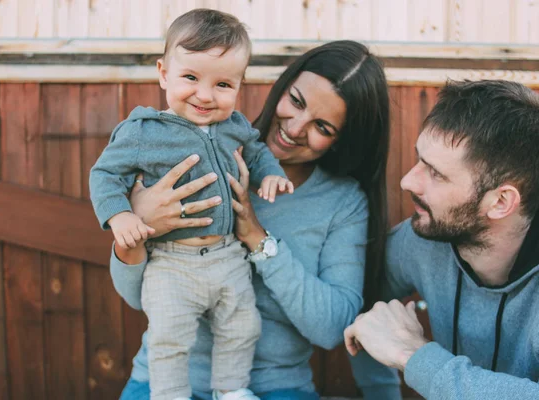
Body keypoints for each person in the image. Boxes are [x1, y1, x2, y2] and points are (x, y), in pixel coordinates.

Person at [110, 39, 400, 400]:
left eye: (322, 127)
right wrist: (139, 226)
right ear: (282, 85)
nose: (295, 128)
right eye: (295, 101)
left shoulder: (343, 203)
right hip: (164, 383)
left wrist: (258, 238)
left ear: (343, 141)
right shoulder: (193, 149)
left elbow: (331, 327)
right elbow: (135, 297)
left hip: (275, 389)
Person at [89, 9, 293, 400]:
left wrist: (270, 173)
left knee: (243, 325)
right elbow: (104, 175)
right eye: (190, 78)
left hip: (227, 256)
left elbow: (256, 149)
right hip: (172, 263)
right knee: (169, 338)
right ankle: (169, 394)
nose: (204, 94)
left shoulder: (234, 126)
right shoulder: (143, 131)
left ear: (239, 85)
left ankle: (231, 390)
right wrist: (119, 215)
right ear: (164, 73)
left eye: (222, 84)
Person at [345, 80, 539, 399]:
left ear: (501, 202)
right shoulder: (423, 239)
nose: (408, 181)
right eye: (419, 159)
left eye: (436, 174)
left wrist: (414, 357)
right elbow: (360, 301)